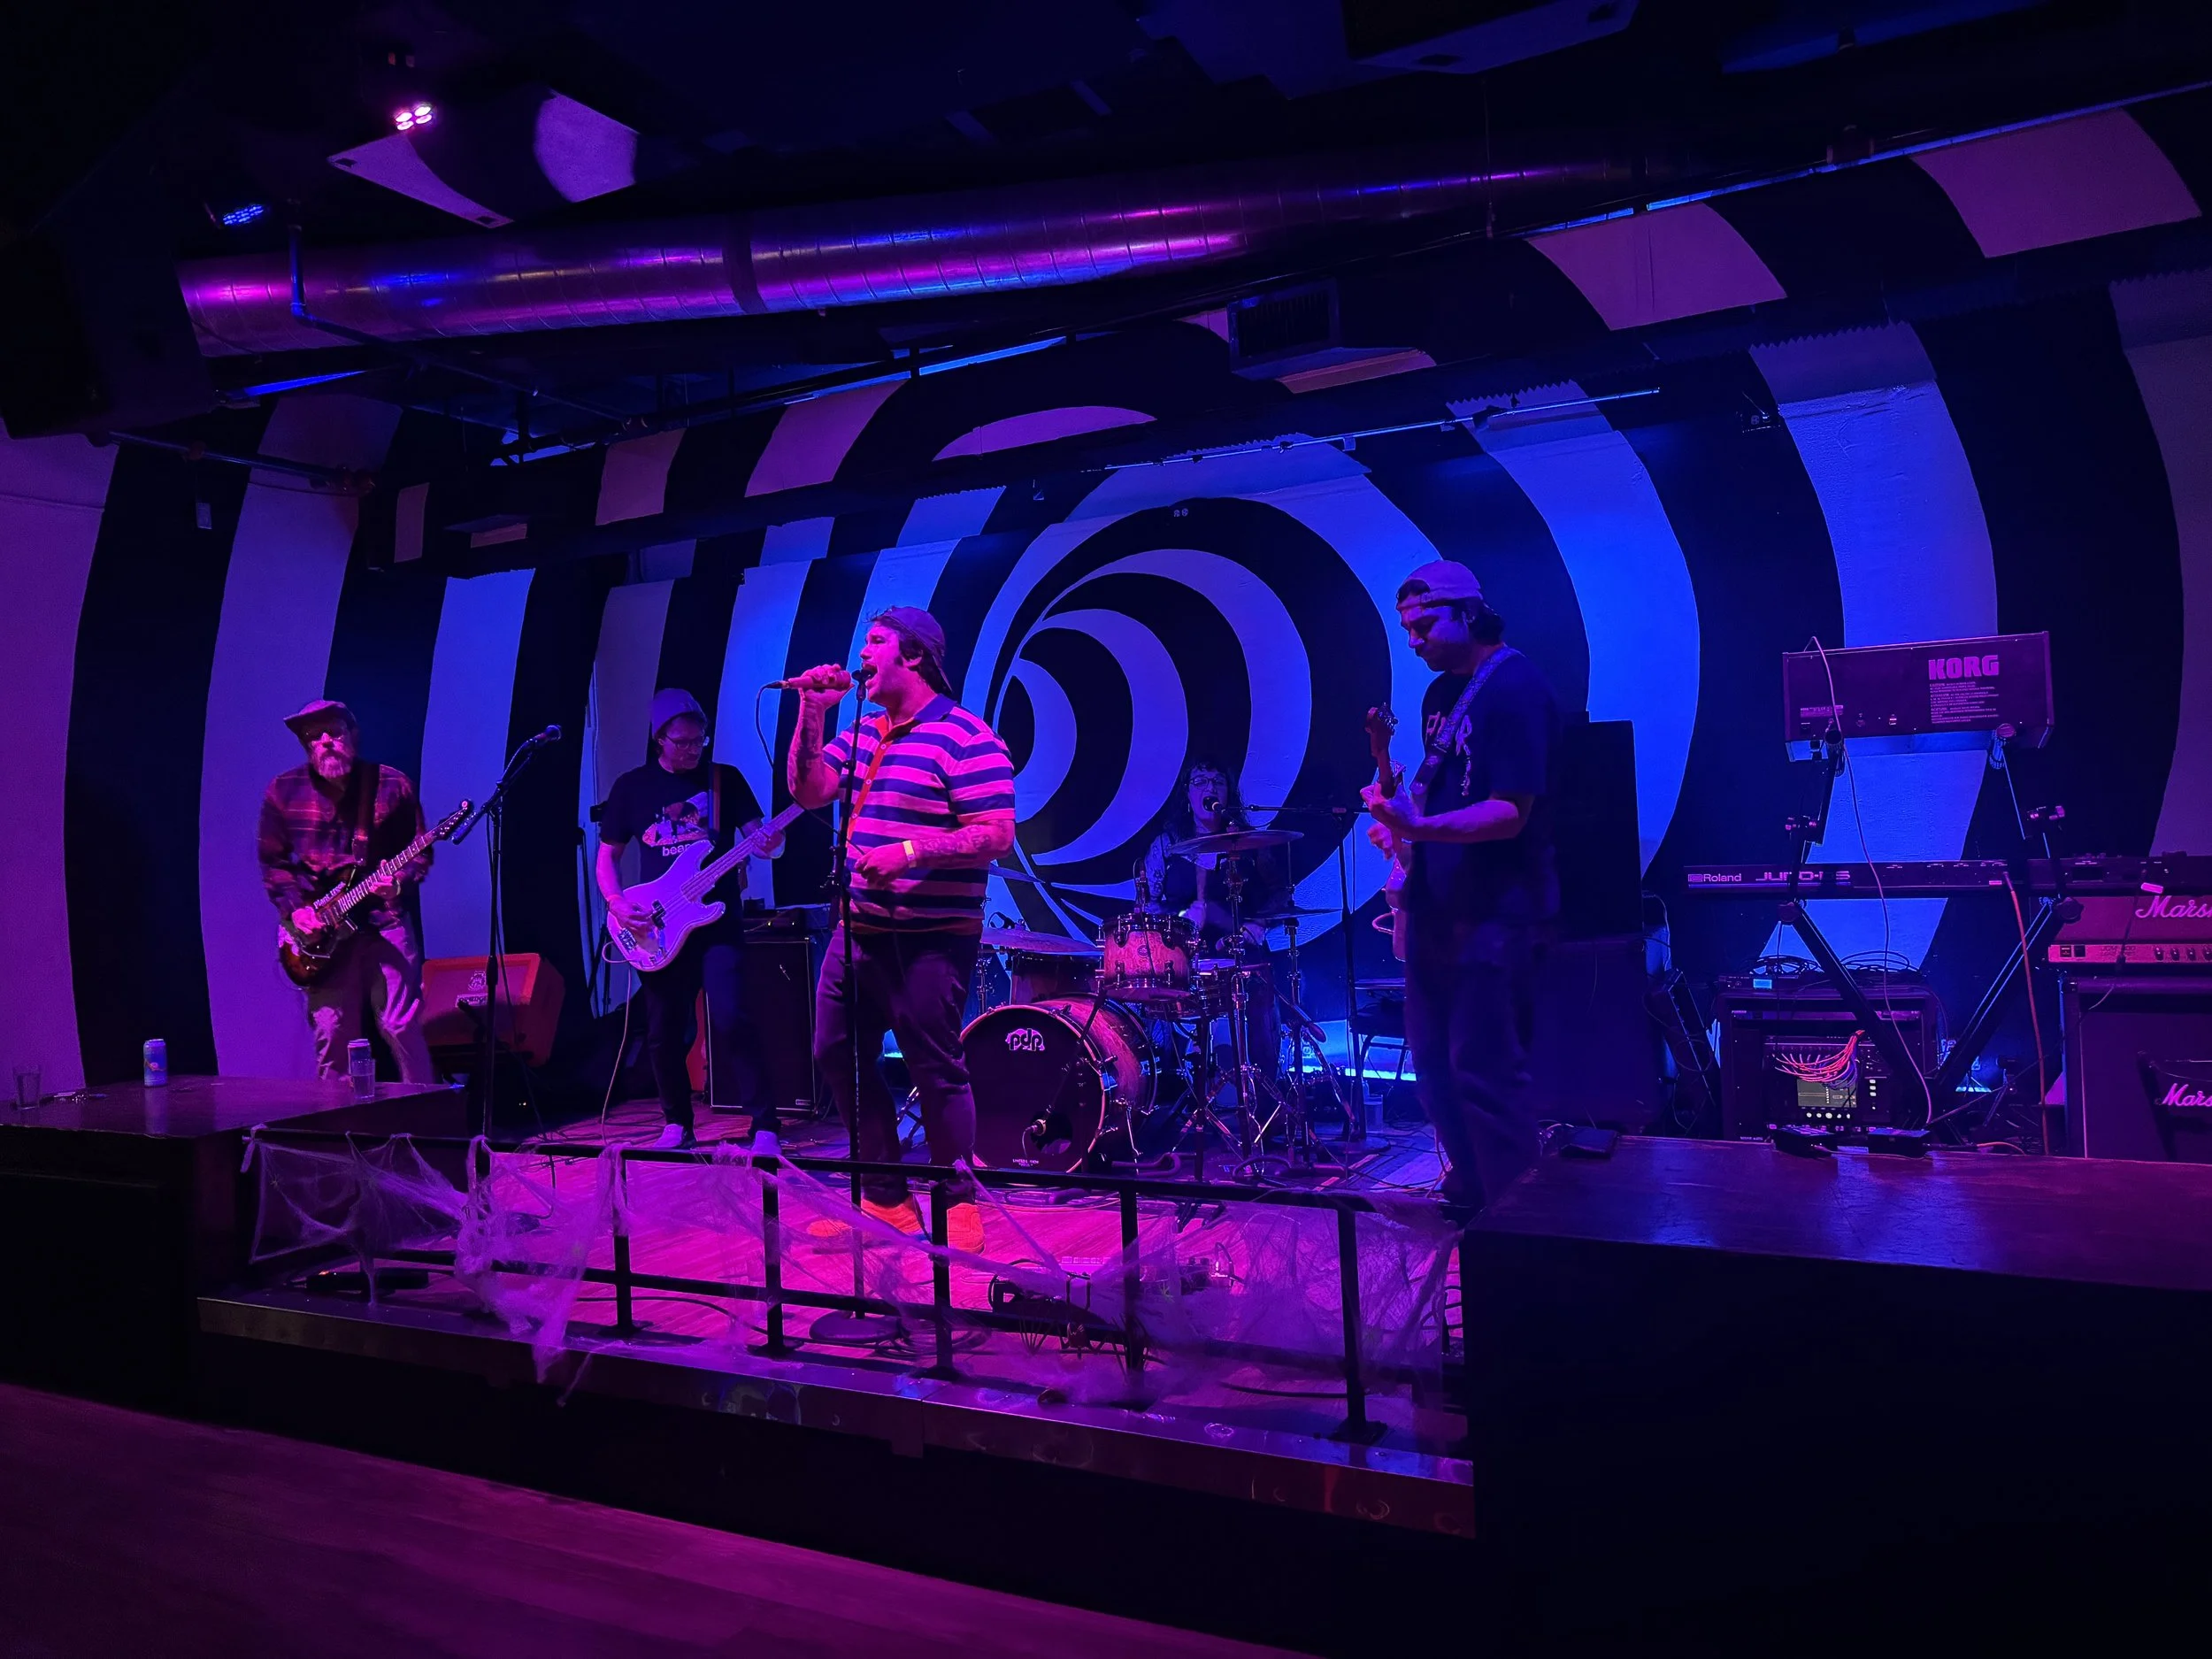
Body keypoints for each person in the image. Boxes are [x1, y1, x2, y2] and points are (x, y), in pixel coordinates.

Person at [787, 607, 1015, 1252]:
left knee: (934, 1065)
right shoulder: (863, 732)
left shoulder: (967, 737)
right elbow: (808, 791)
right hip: (856, 929)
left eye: (876, 641)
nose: (862, 653)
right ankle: (885, 1197)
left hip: (933, 936)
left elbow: (995, 834)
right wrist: (813, 710)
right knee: (835, 1052)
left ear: (912, 655)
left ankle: (956, 1196)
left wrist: (910, 852)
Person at [1363, 560, 1560, 1210]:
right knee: (1435, 1070)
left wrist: (1423, 828)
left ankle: (1516, 1218)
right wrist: (1400, 822)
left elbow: (1510, 811)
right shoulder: (1438, 697)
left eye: (1424, 625)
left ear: (1468, 613)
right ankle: (1472, 1194)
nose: (1413, 640)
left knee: (1486, 1072)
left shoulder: (1516, 686)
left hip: (1496, 915)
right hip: (1439, 911)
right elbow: (1438, 793)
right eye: (1406, 628)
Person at [598, 688, 782, 1150]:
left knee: (732, 1017)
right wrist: (617, 903)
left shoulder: (726, 780)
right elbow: (607, 858)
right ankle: (676, 1121)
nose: (693, 749)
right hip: (658, 923)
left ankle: (764, 1126)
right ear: (660, 738)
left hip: (717, 922)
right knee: (663, 1031)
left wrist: (769, 843)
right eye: (682, 742)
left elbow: (760, 839)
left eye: (699, 740)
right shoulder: (631, 788)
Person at [258, 698, 436, 1083]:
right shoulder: (283, 791)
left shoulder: (391, 784)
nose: (325, 741)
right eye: (314, 736)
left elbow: (419, 853)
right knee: (332, 1036)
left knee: (401, 1026)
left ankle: (428, 1123)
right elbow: (274, 863)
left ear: (352, 735)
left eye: (334, 732)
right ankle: (340, 1135)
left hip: (382, 922)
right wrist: (296, 911)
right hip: (319, 935)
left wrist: (397, 884)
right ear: (306, 745)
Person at [1140, 759, 1292, 954]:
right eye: (1200, 782)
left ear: (1228, 793)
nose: (1210, 788)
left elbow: (1281, 891)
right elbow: (1145, 907)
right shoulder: (1166, 845)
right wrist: (1181, 918)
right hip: (1183, 960)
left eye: (1219, 782)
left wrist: (1260, 923)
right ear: (1187, 793)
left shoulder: (1251, 843)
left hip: (1244, 954)